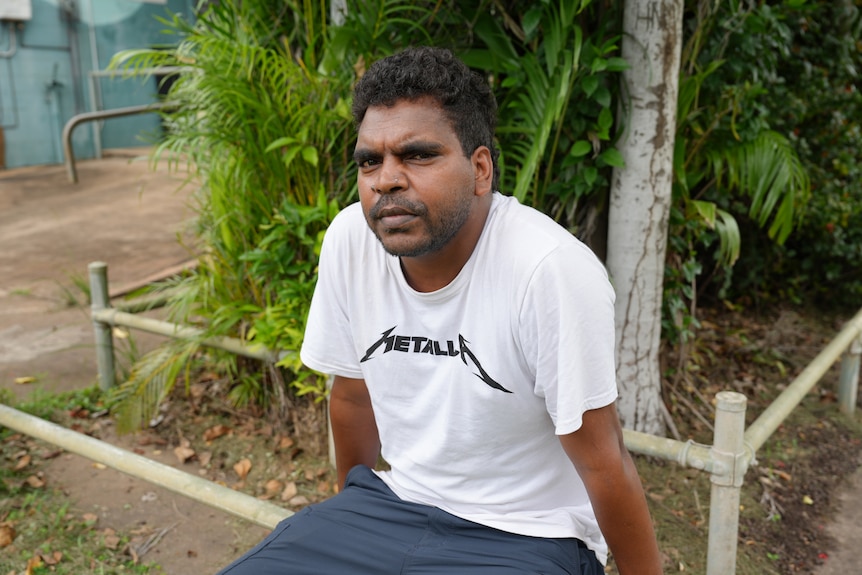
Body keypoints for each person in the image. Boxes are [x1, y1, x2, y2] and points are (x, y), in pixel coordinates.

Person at [217, 46, 662, 575]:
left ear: (480, 169)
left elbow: (603, 456)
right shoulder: (349, 241)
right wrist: (348, 517)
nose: (386, 179)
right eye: (369, 161)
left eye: (418, 155)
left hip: (527, 535)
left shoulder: (549, 269)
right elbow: (353, 399)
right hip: (392, 504)